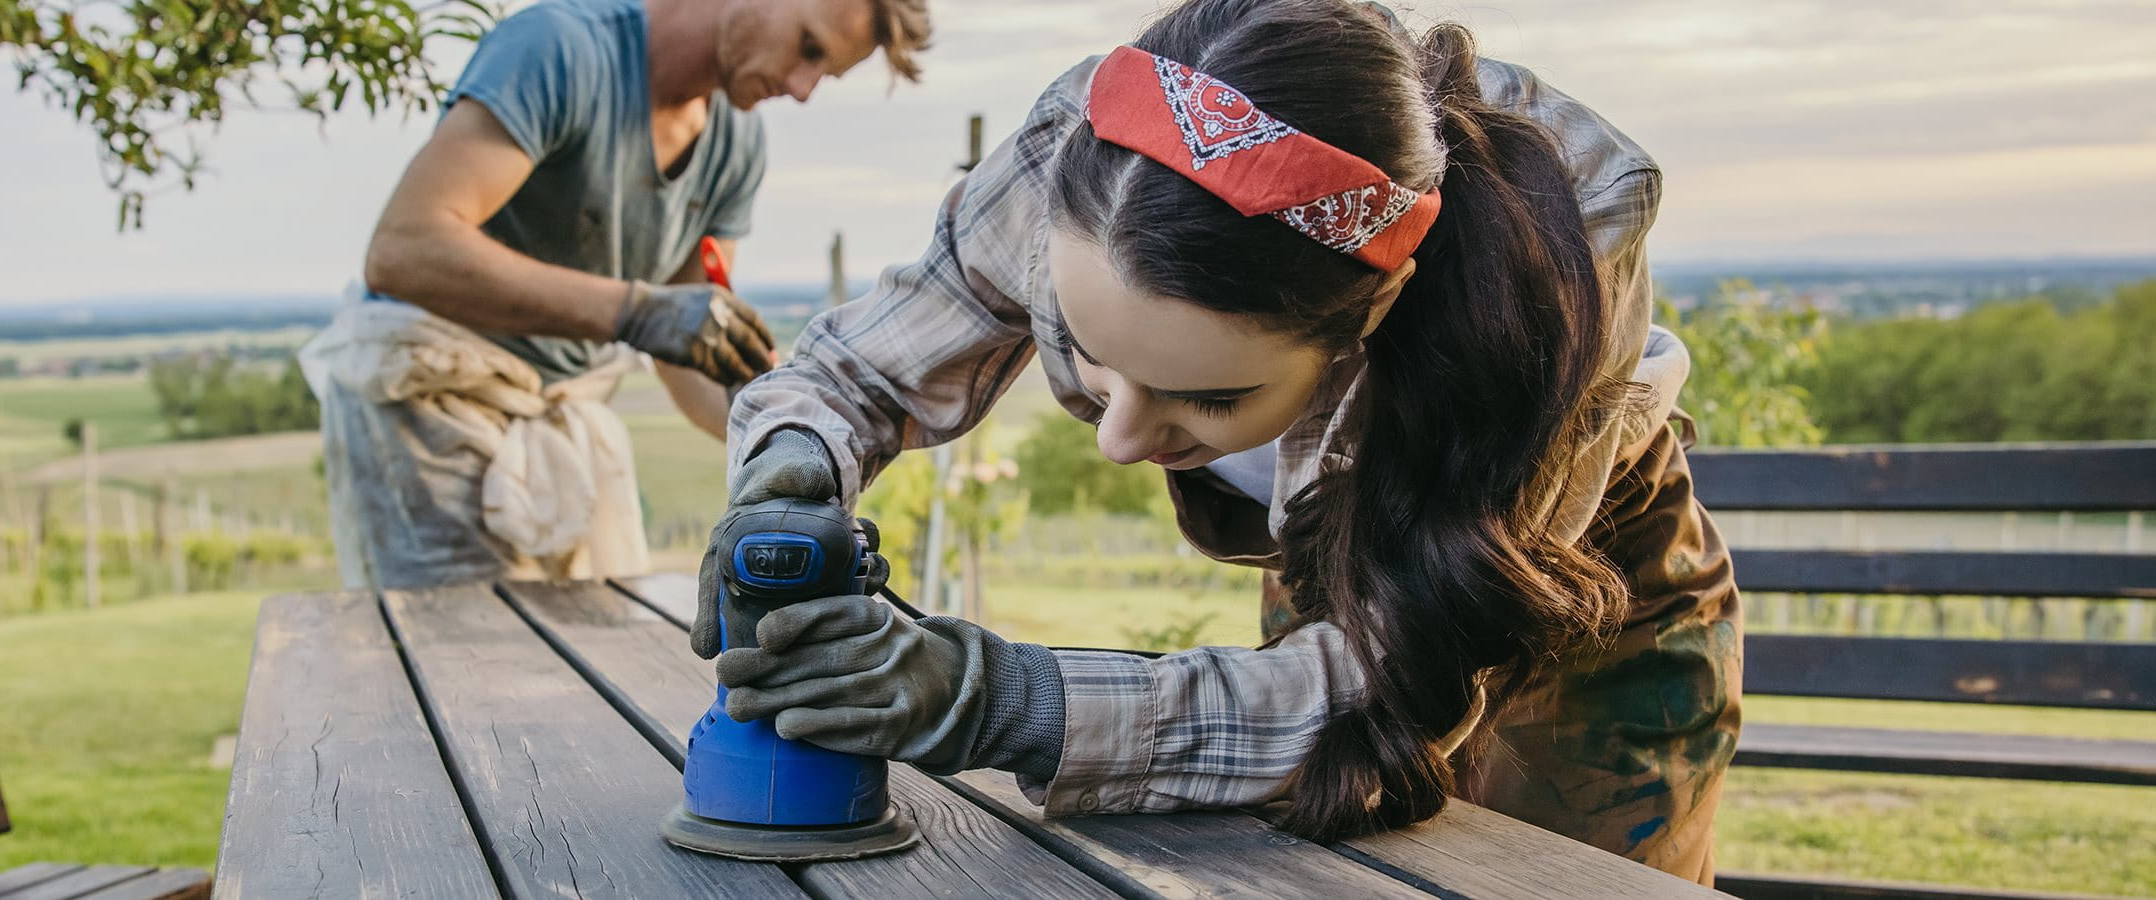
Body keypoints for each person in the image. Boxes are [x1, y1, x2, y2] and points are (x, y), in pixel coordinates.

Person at [697, 0, 1740, 884]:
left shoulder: (1557, 256)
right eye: (1093, 363)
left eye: (1202, 395)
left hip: (1556, 588)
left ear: (1371, 311)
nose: (1116, 439)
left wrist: (1009, 703)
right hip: (1336, 559)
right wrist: (788, 472)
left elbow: (1382, 688)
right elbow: (860, 371)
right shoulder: (1094, 157)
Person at [304, 0, 934, 588]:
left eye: (825, 76)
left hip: (560, 412)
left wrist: (785, 438)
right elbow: (404, 249)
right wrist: (634, 312)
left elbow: (690, 351)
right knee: (473, 665)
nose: (801, 90)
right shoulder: (561, 52)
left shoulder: (735, 145)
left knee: (596, 650)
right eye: (808, 49)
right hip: (428, 404)